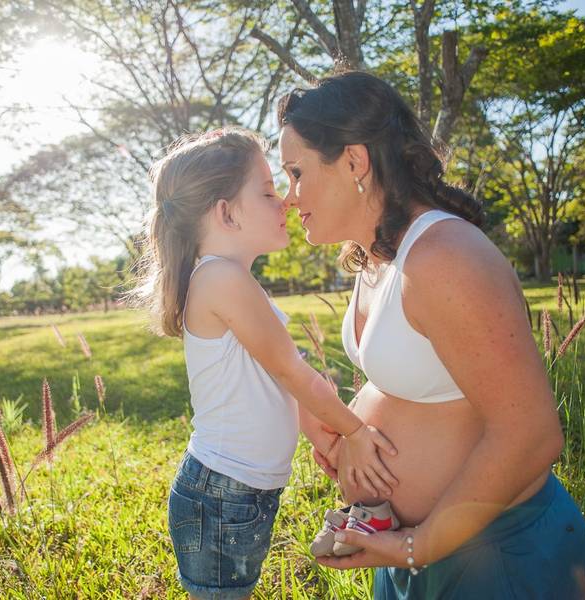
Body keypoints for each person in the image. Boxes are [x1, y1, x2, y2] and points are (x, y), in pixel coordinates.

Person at [276, 71, 585, 599]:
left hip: (493, 552)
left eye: (296, 172)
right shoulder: (375, 257)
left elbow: (532, 434)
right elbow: (414, 377)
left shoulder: (444, 257)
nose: (289, 197)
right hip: (415, 548)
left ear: (354, 161)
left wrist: (419, 545)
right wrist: (349, 435)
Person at [131, 127, 399, 600]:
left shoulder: (233, 279)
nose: (287, 203)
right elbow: (293, 372)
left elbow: (277, 380)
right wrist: (355, 432)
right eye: (270, 191)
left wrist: (319, 431)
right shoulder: (219, 279)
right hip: (221, 492)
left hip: (239, 490)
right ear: (226, 212)